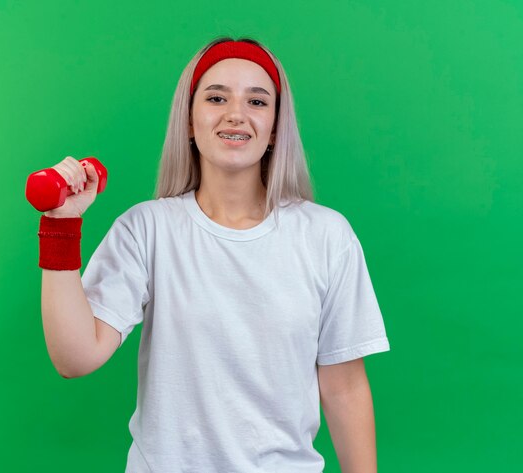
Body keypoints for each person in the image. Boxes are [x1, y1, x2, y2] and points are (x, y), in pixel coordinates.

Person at [38, 37, 391, 473]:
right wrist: (61, 225)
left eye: (257, 101)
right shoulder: (147, 229)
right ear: (189, 119)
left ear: (276, 126)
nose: (235, 114)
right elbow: (75, 357)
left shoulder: (326, 236)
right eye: (217, 97)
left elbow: (344, 389)